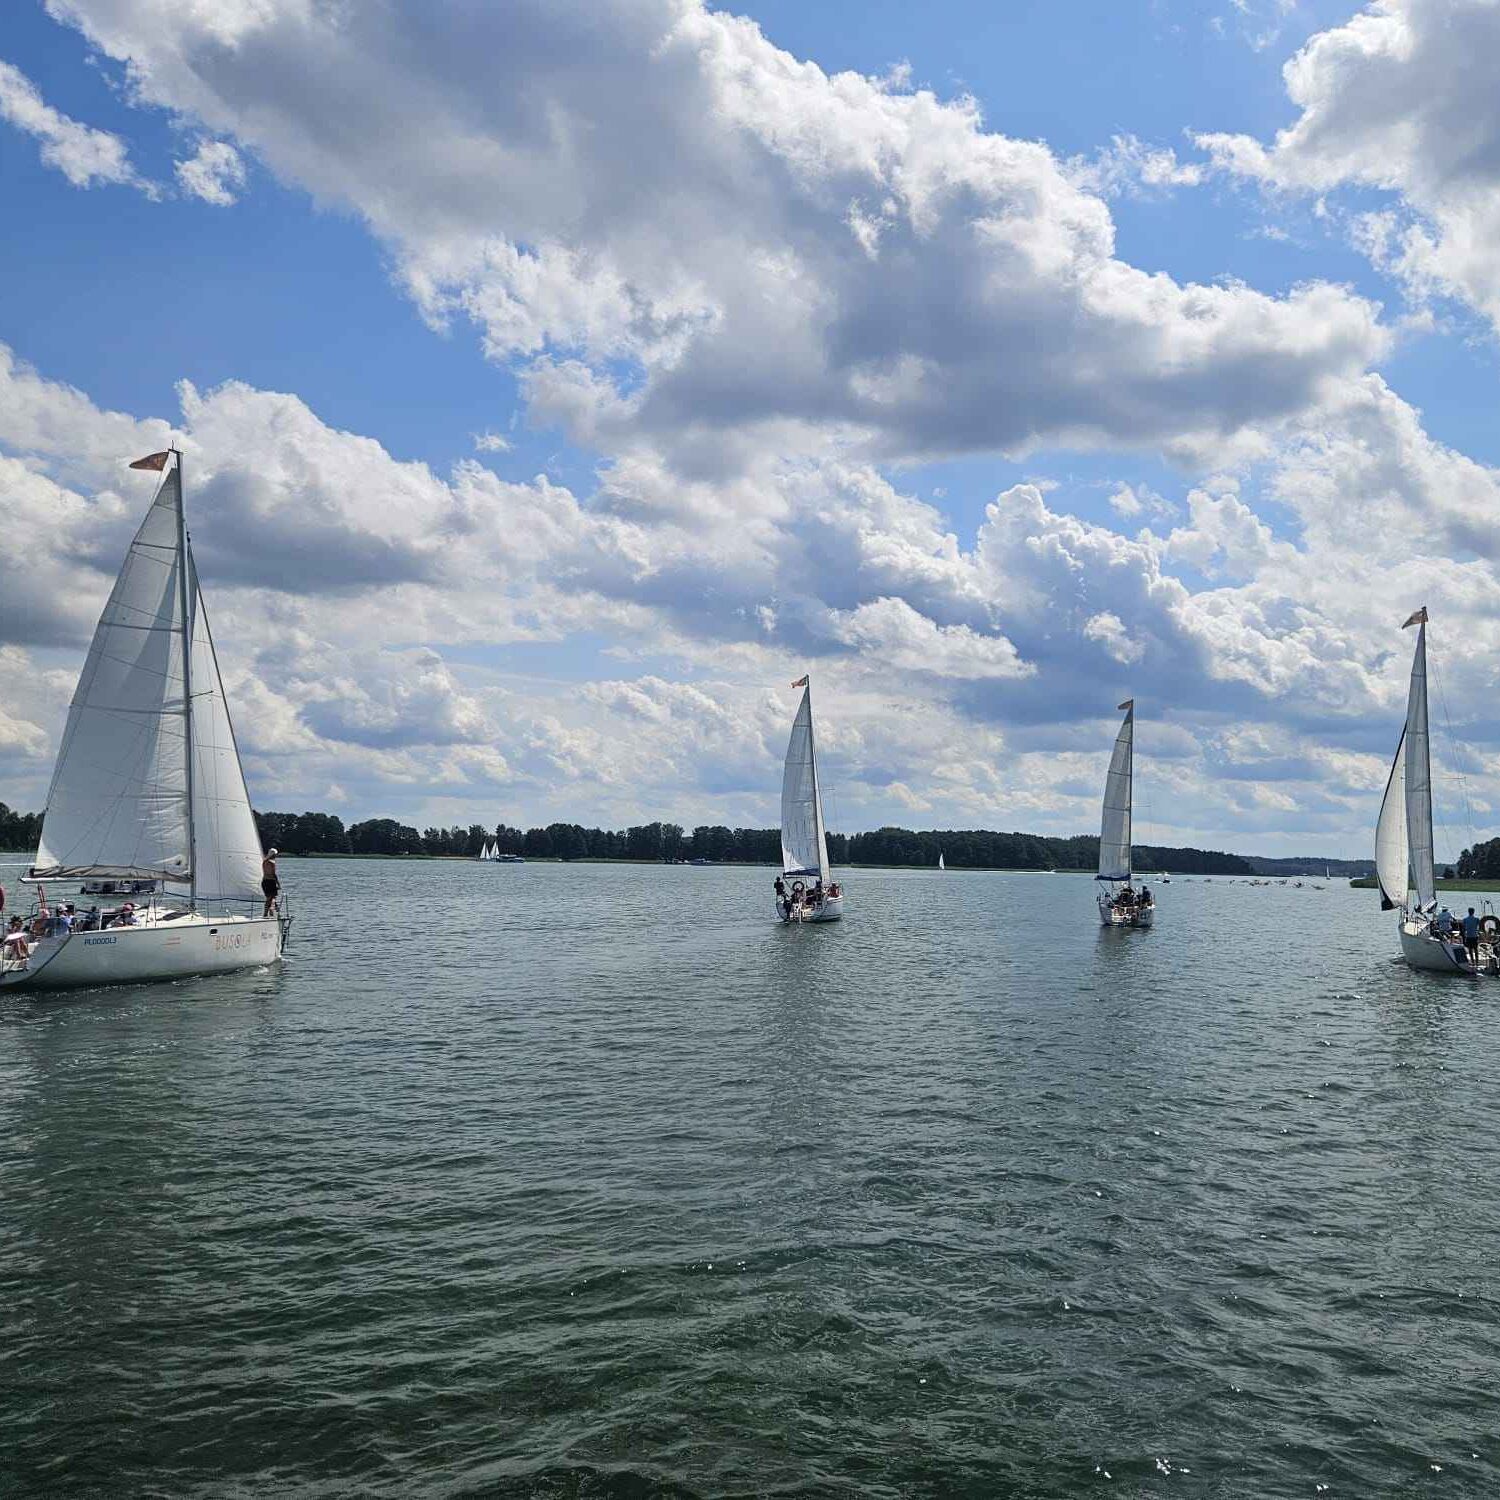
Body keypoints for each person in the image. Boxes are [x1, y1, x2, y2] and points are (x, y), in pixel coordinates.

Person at [261, 848, 280, 919]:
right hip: (271, 881)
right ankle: (271, 911)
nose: (276, 856)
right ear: (273, 854)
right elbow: (273, 874)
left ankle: (266, 914)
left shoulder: (264, 862)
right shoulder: (272, 862)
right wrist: (278, 884)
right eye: (275, 854)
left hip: (264, 882)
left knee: (268, 898)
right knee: (273, 898)